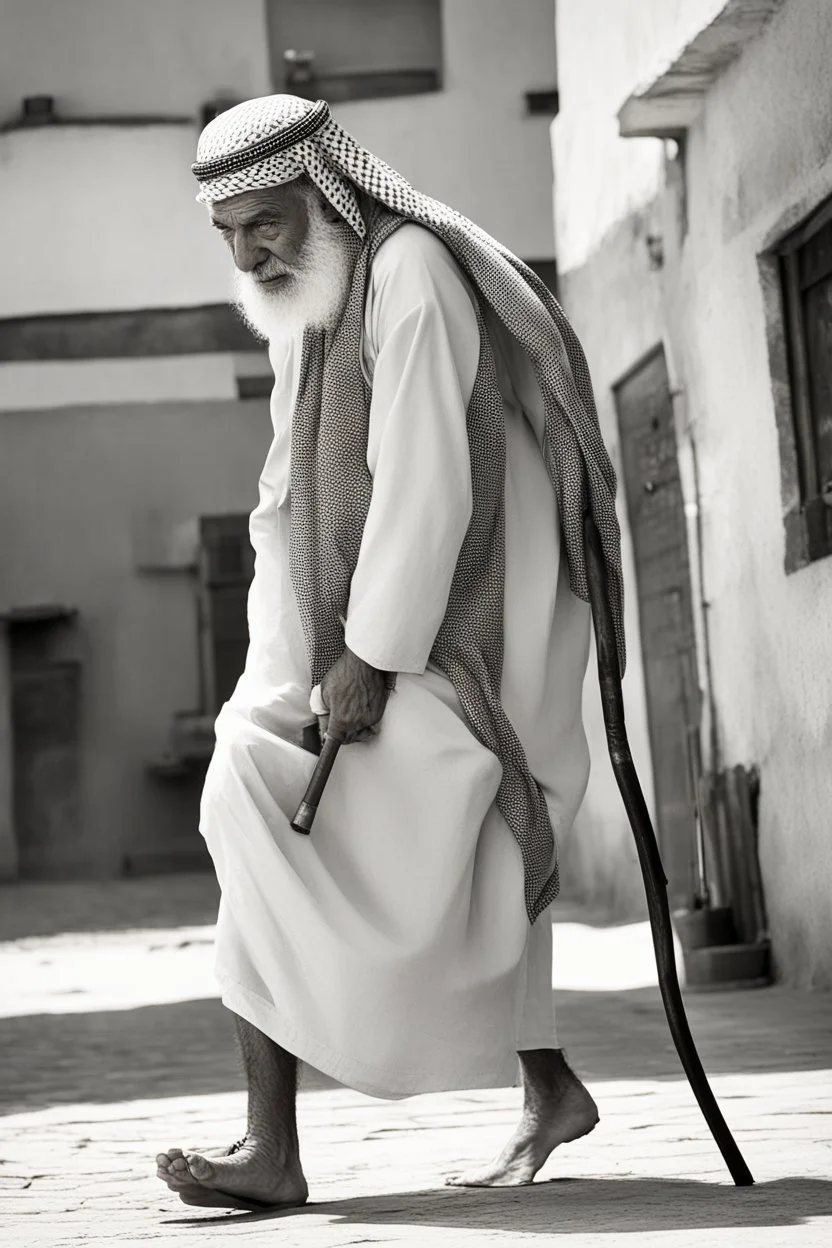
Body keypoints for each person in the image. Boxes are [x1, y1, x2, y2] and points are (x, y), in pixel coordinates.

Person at [155, 94, 625, 1212]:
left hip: (472, 638)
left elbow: (426, 482)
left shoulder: (407, 268)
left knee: (260, 791)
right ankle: (535, 1085)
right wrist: (293, 660)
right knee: (276, 798)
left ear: (324, 191)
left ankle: (281, 1146)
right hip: (401, 631)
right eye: (227, 233)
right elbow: (287, 492)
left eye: (262, 222)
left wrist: (366, 656)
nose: (247, 251)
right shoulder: (316, 301)